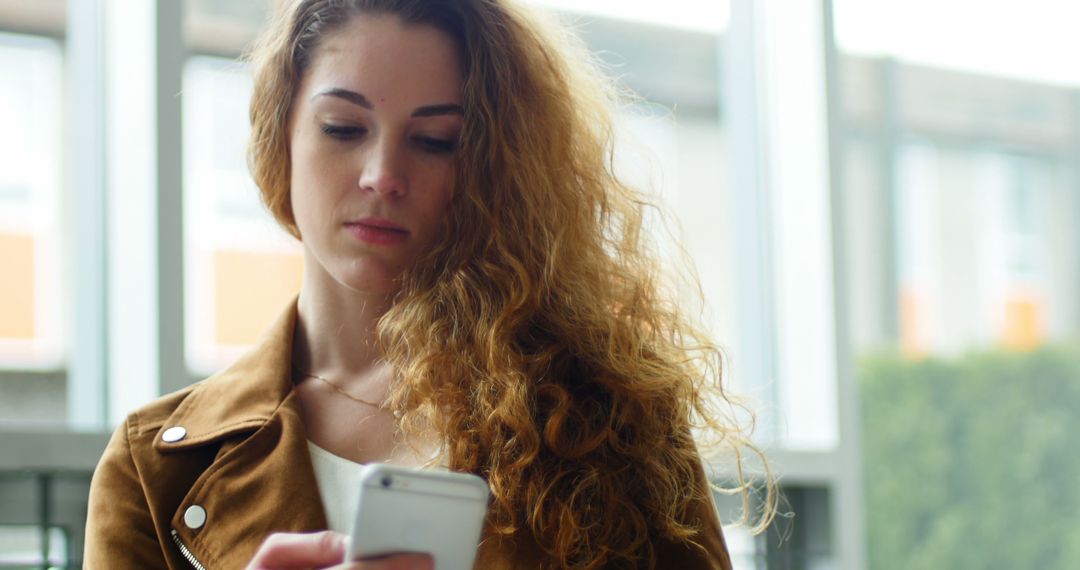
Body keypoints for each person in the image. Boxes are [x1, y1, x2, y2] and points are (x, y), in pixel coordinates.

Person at [84, 0, 774, 568]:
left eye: (436, 140)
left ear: (488, 169)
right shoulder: (153, 470)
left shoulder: (603, 418)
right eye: (343, 127)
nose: (383, 172)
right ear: (279, 138)